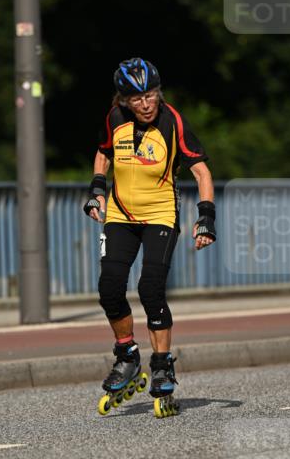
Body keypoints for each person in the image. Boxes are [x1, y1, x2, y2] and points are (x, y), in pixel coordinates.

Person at [84, 57, 216, 415]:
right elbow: (102, 153)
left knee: (150, 288)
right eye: (137, 98)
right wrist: (97, 190)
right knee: (109, 287)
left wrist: (206, 218)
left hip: (160, 213)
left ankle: (161, 365)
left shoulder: (173, 122)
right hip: (120, 214)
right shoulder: (115, 119)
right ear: (124, 100)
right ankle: (127, 356)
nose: (146, 104)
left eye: (151, 95)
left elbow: (202, 173)